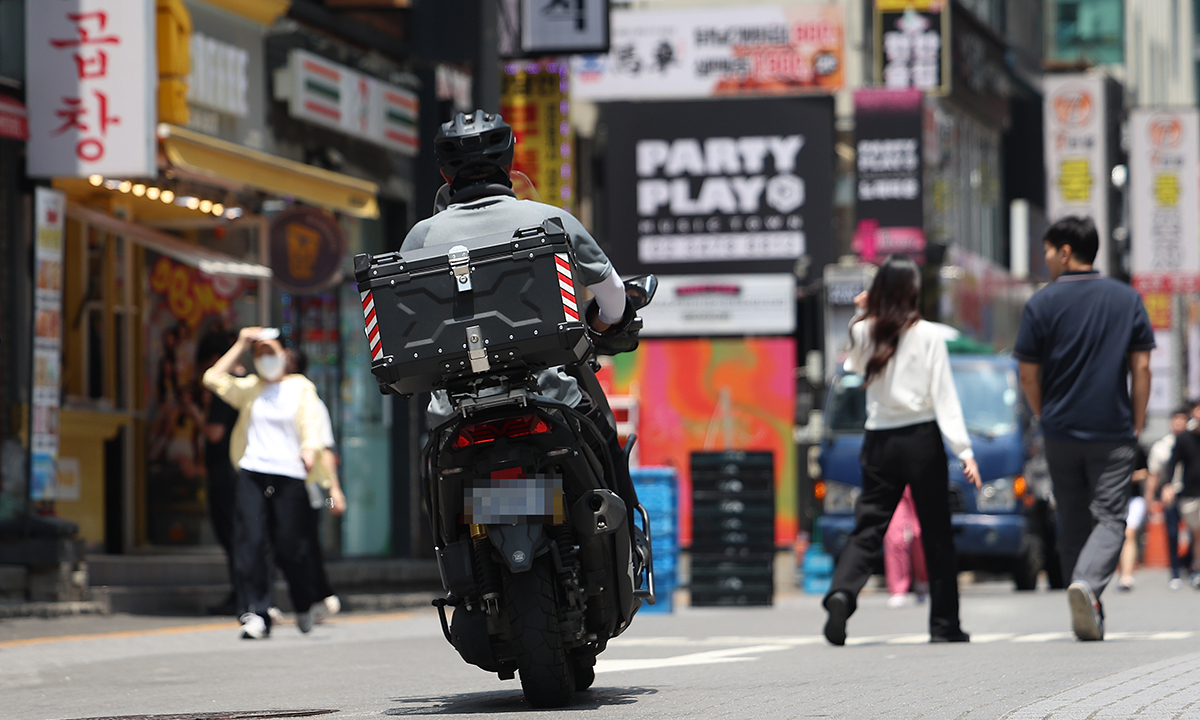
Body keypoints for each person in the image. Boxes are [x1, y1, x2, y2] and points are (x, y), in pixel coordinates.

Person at [400, 110, 643, 551]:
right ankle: (631, 549)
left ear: (444, 173)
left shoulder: (420, 238)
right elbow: (612, 300)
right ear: (509, 161)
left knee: (436, 481)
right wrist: (606, 323)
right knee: (605, 441)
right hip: (550, 400)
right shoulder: (551, 219)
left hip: (456, 413)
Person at [822, 256, 981, 646]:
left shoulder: (865, 329)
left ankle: (842, 592)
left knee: (869, 526)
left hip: (879, 439)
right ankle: (944, 624)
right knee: (936, 531)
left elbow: (854, 367)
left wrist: (863, 316)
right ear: (912, 291)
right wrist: (963, 449)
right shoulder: (928, 335)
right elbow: (944, 396)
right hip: (921, 439)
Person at [1014, 216, 1154, 642]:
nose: (1045, 259)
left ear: (1065, 252)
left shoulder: (1041, 304)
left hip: (1060, 432)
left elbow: (1028, 375)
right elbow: (1142, 368)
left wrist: (1045, 415)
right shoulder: (1126, 299)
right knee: (1111, 518)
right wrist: (1137, 421)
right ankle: (1088, 589)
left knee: (1072, 520)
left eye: (1047, 251)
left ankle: (1086, 597)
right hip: (1112, 430)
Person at [203, 327, 329, 639]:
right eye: (259, 354)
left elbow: (311, 422)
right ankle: (257, 612)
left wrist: (309, 450)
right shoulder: (250, 388)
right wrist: (241, 343)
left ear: (285, 355)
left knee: (290, 547)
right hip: (252, 471)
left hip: (291, 473)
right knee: (251, 541)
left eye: (271, 352)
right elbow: (212, 378)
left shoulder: (300, 387)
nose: (266, 359)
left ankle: (303, 602)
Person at [1147, 407, 1193, 589]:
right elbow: (1154, 474)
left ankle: (1190, 566)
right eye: (1175, 420)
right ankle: (1175, 571)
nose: (1178, 424)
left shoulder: (1194, 442)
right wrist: (1149, 499)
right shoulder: (1161, 446)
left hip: (1190, 493)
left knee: (1194, 532)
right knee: (1172, 533)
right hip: (1169, 492)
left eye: (1182, 420)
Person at [1159, 402, 1200, 591]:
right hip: (1187, 494)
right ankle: (1183, 570)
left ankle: (1195, 569)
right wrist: (1167, 485)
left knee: (1198, 534)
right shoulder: (1184, 439)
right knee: (1188, 533)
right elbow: (1172, 463)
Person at [884, 486, 929, 608]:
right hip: (895, 486)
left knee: (919, 536)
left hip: (920, 484)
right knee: (895, 539)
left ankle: (923, 580)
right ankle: (898, 588)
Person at [1116, 446, 1149, 591]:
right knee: (1117, 536)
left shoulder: (1137, 449)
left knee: (1129, 534)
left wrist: (1125, 477)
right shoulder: (1106, 447)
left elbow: (1145, 472)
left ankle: (1126, 576)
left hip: (1134, 499)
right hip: (1114, 500)